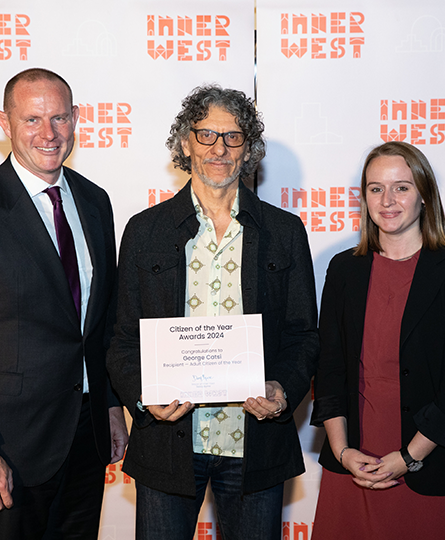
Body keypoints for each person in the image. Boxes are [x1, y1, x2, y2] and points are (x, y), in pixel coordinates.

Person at [106, 85, 319, 540]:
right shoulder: (146, 231)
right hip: (168, 441)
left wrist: (282, 389)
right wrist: (144, 398)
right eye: (206, 135)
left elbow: (304, 335)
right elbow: (122, 339)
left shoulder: (284, 232)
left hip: (255, 442)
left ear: (249, 149)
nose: (219, 149)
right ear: (185, 143)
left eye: (233, 137)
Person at [0, 68, 128, 540]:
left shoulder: (94, 200)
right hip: (6, 449)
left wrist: (109, 407)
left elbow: (98, 323)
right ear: (4, 122)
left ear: (77, 119)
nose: (49, 134)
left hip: (84, 441)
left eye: (60, 118)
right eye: (33, 120)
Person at [310, 141, 445, 539]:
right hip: (353, 464)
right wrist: (343, 452)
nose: (387, 200)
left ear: (424, 194)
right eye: (375, 188)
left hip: (435, 467)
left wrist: (407, 458)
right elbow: (329, 368)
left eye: (401, 187)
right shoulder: (343, 270)